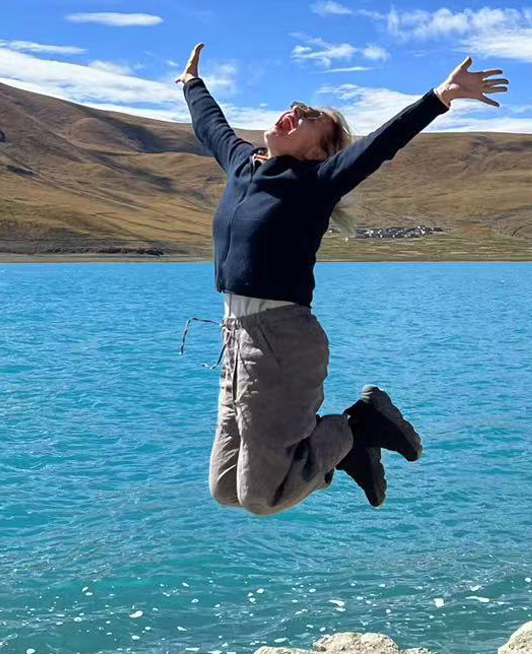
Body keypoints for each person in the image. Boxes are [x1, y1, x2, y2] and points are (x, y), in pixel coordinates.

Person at [177, 43, 509, 514]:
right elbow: (211, 126)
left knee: (261, 496)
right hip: (235, 338)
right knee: (226, 488)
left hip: (281, 343)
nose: (295, 112)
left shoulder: (315, 184)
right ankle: (348, 447)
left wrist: (439, 97)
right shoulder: (242, 164)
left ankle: (360, 425)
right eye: (295, 107)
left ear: (318, 151)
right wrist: (192, 84)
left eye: (309, 116)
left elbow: (380, 145)